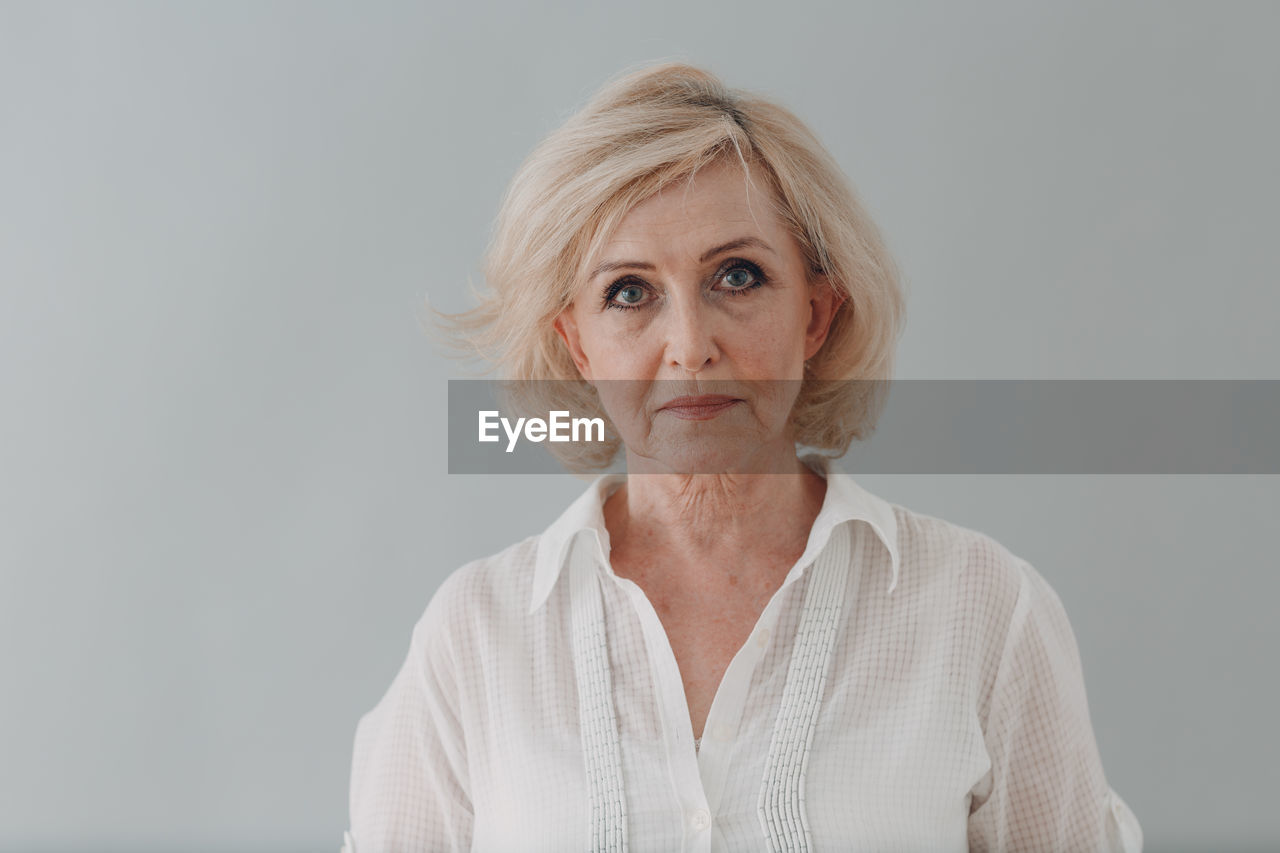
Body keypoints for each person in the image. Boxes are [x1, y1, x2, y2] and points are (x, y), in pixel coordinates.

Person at [342, 60, 1143, 852]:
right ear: (576, 343)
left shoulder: (986, 611)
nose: (690, 346)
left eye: (738, 275)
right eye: (629, 290)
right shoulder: (475, 634)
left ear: (817, 316)